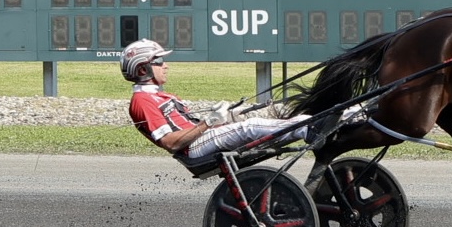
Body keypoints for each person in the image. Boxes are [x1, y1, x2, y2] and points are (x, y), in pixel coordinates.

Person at [122, 39, 323, 167]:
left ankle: (314, 121)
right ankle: (307, 129)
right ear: (143, 69)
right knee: (249, 127)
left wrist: (223, 117)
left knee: (257, 116)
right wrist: (209, 122)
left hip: (201, 138)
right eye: (158, 62)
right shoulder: (141, 101)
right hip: (193, 148)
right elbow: (170, 143)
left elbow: (189, 125)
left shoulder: (162, 96)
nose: (166, 66)